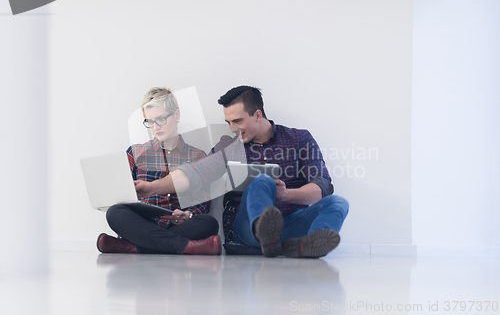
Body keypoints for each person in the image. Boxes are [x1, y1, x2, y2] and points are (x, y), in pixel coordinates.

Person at [135, 86, 349, 258]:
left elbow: (321, 186)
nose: (232, 128)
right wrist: (152, 187)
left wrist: (286, 195)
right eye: (229, 122)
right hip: (248, 229)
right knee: (262, 180)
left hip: (292, 221)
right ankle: (267, 235)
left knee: (338, 203)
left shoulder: (300, 139)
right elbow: (195, 173)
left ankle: (306, 245)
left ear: (257, 115)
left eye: (237, 121)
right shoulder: (229, 146)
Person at [97, 87, 221, 255]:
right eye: (149, 121)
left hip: (177, 225)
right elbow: (122, 197)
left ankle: (130, 247)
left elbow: (202, 202)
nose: (155, 127)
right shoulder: (135, 153)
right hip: (143, 223)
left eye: (161, 119)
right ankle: (187, 246)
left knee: (209, 223)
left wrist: (187, 214)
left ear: (176, 115)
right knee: (114, 213)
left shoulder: (197, 155)